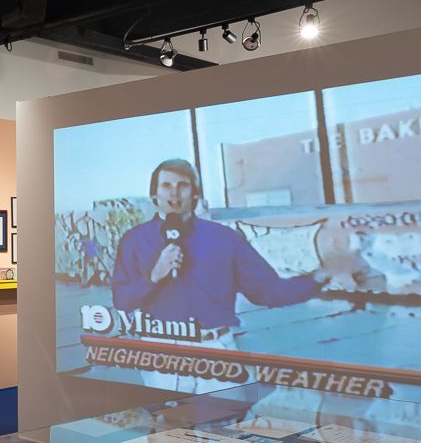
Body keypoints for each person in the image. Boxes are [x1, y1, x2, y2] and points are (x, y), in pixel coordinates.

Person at [111, 158, 335, 390]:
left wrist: (318, 277)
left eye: (183, 185)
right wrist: (154, 276)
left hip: (215, 349)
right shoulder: (134, 241)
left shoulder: (224, 238)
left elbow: (268, 291)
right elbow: (122, 299)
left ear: (195, 195)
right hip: (162, 352)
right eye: (166, 186)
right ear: (154, 195)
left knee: (224, 421)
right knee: (171, 421)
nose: (174, 193)